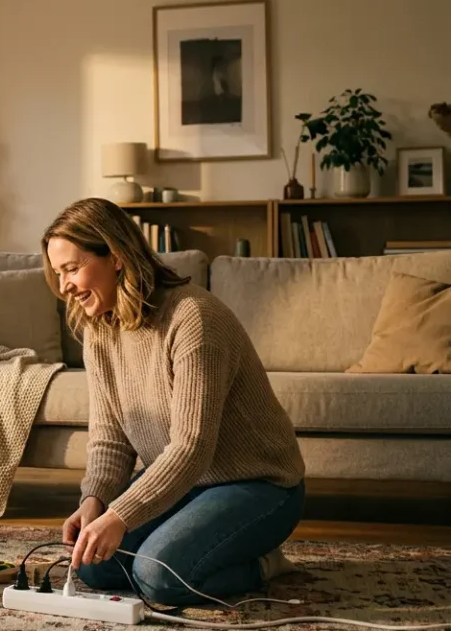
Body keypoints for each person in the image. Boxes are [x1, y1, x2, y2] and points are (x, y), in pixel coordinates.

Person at [41, 198, 307, 606]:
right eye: (59, 273)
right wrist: (95, 502)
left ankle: (263, 564)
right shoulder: (99, 330)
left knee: (158, 577)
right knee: (94, 565)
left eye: (72, 269)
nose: (64, 287)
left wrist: (120, 515)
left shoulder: (194, 318)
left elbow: (191, 448)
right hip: (184, 484)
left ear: (116, 256)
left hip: (260, 485)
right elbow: (111, 438)